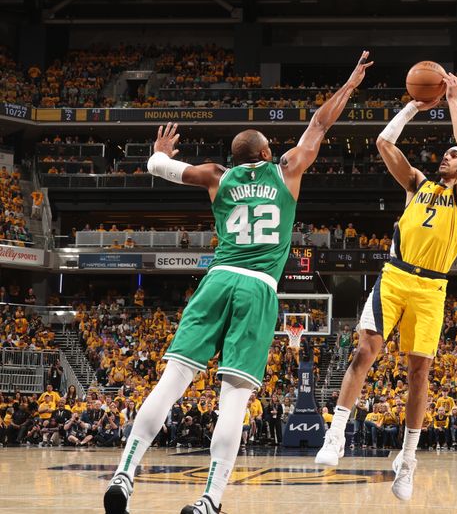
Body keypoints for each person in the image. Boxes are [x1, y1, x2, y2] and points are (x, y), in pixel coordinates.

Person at [103, 52, 372, 514]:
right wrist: (349, 85)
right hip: (257, 288)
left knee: (172, 381)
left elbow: (156, 167)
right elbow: (320, 125)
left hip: (217, 278)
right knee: (233, 397)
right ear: (267, 154)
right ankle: (209, 499)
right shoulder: (286, 170)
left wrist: (160, 153)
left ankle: (124, 474)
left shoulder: (216, 176)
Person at [314, 73, 457, 502]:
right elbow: (383, 145)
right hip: (395, 276)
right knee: (364, 351)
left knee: (419, 373)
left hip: (431, 290)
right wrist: (412, 106)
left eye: (452, 155)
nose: (447, 157)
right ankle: (335, 433)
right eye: (443, 154)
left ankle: (407, 459)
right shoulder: (417, 185)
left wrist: (452, 101)